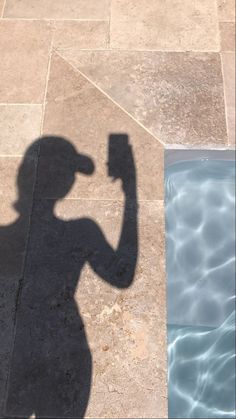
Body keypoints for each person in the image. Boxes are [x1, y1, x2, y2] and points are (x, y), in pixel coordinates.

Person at [5, 135, 138, 417]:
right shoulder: (81, 232)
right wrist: (131, 196)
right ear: (64, 183)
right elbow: (122, 275)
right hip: (65, 352)